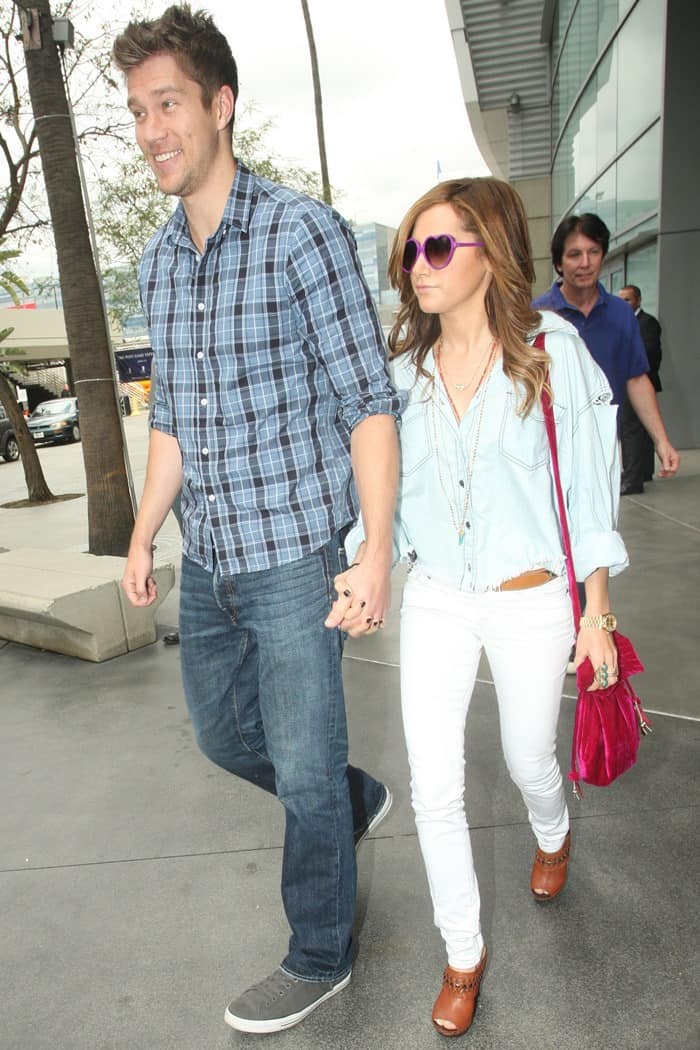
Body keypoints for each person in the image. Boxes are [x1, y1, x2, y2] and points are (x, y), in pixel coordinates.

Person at [113, 5, 403, 1035]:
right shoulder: (156, 262)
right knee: (224, 735)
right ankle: (348, 793)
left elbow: (369, 401)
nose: (150, 130)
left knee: (304, 767)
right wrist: (146, 533)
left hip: (294, 562)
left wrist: (372, 552)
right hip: (213, 560)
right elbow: (174, 427)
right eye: (137, 110)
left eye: (169, 104)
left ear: (219, 106)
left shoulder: (301, 234)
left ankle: (318, 952)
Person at [336, 178, 628, 1037]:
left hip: (531, 598)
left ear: (487, 254)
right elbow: (380, 490)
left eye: (435, 249)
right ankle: (462, 954)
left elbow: (589, 486)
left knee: (528, 753)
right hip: (437, 598)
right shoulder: (402, 374)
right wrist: (367, 561)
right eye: (409, 252)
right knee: (435, 784)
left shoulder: (552, 354)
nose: (416, 268)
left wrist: (595, 611)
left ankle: (552, 826)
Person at [532, 213, 679, 490]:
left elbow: (636, 378)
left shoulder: (621, 313)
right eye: (574, 254)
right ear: (558, 263)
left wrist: (661, 440)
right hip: (549, 446)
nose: (585, 263)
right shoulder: (538, 316)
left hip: (604, 445)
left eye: (593, 252)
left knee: (601, 529)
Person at [617, 285, 663, 493]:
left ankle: (632, 479)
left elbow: (651, 352)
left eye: (627, 300)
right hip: (627, 382)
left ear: (638, 300)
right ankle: (642, 472)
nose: (623, 304)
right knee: (638, 432)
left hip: (639, 383)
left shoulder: (647, 323)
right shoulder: (623, 322)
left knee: (632, 432)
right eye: (621, 301)